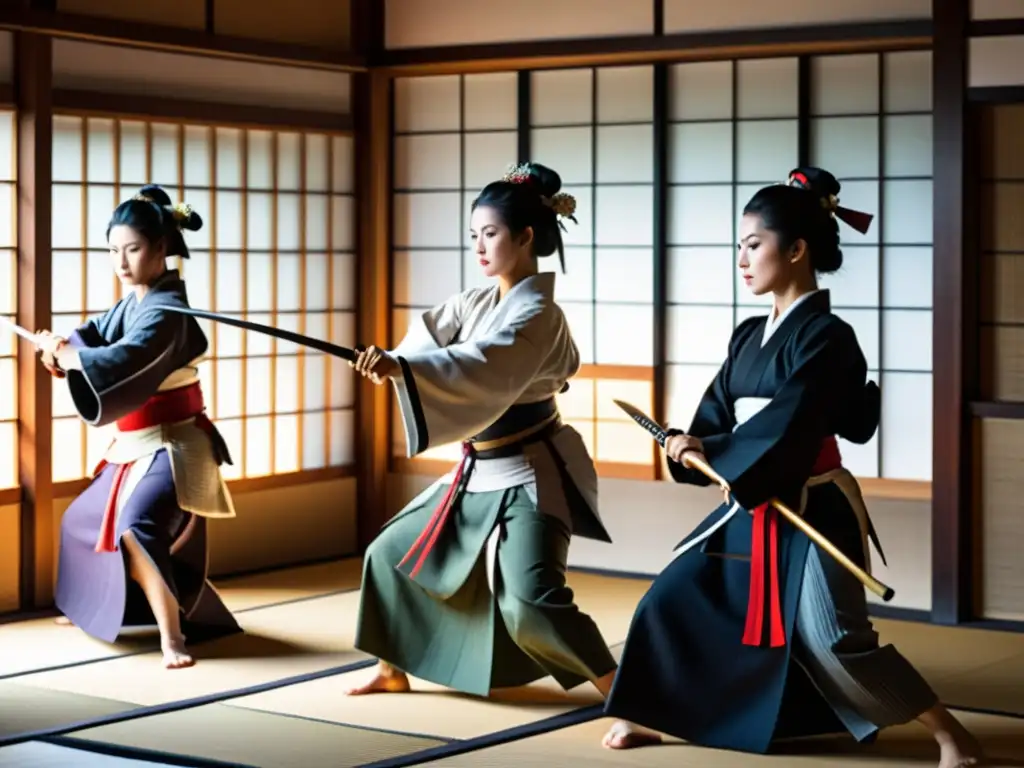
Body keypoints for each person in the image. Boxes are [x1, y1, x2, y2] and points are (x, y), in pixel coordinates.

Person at [601, 168, 984, 768]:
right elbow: (719, 410)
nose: (742, 259)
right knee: (671, 599)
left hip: (809, 505)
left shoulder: (829, 337)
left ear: (797, 249)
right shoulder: (749, 334)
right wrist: (692, 441)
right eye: (740, 247)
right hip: (750, 497)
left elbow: (792, 421)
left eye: (754, 245)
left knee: (834, 638)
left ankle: (948, 732)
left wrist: (718, 453)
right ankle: (657, 713)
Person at [344, 162, 619, 700]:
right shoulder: (476, 301)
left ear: (526, 237)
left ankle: (622, 690)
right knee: (388, 553)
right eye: (474, 235)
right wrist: (393, 361)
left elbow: (483, 362)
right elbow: (428, 337)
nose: (479, 246)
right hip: (477, 468)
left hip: (532, 470)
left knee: (531, 599)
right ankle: (391, 666)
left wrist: (406, 371)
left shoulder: (538, 314)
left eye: (490, 234)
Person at [38, 185, 240, 670]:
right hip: (133, 443)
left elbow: (125, 358)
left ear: (161, 247)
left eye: (132, 249)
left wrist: (74, 357)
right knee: (79, 523)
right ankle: (93, 605)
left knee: (137, 527)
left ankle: (173, 636)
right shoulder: (136, 301)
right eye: (113, 251)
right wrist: (65, 347)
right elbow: (95, 335)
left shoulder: (168, 311)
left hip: (174, 444)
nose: (121, 262)